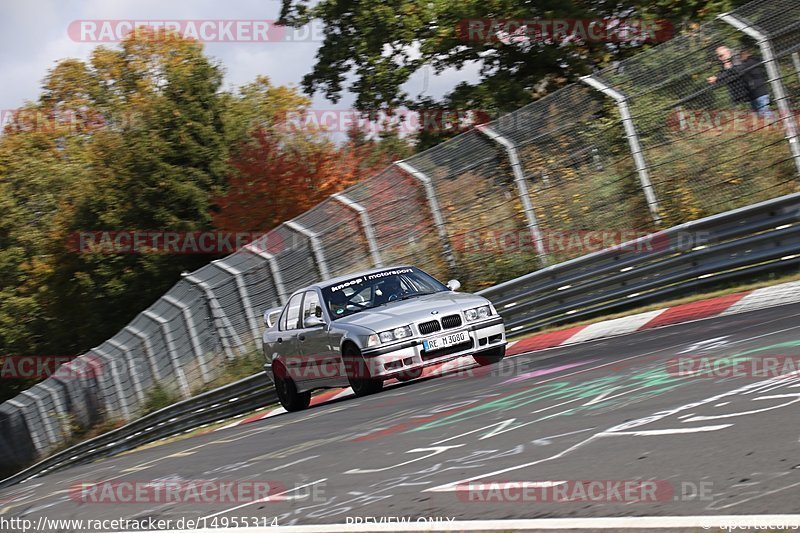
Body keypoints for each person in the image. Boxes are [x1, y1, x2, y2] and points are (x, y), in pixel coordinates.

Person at [738, 46, 772, 117]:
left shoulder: (749, 63)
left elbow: (740, 70)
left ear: (746, 54)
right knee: (761, 115)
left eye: (741, 55)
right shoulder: (754, 61)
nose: (740, 58)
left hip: (759, 93)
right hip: (755, 94)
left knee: (765, 113)